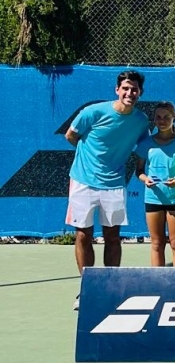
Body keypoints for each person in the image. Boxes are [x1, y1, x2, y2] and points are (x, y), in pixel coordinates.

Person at [65, 70, 151, 309]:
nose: (129, 93)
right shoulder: (93, 112)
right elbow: (71, 136)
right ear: (117, 90)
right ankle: (87, 289)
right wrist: (88, 157)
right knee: (83, 235)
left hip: (114, 184)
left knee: (112, 237)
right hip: (82, 181)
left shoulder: (141, 121)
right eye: (125, 88)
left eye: (134, 89)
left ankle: (110, 289)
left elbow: (145, 146)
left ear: (140, 93)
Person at [134, 101, 175, 267]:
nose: (162, 120)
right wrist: (145, 179)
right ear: (154, 119)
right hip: (153, 199)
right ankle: (157, 280)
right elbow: (138, 171)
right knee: (157, 243)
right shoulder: (146, 143)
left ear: (174, 118)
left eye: (166, 117)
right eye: (158, 117)